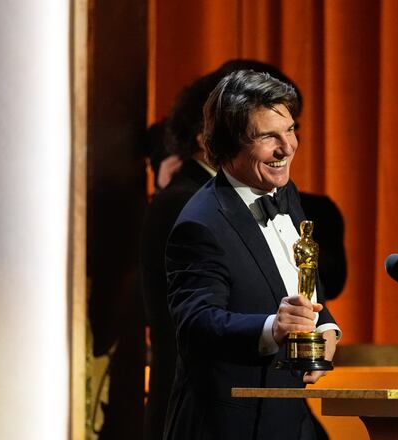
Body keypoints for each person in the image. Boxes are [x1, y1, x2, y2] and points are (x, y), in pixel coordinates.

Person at [141, 60, 345, 440]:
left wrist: (325, 327)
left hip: (287, 417)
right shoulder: (200, 223)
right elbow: (196, 323)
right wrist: (273, 328)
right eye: (269, 137)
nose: (287, 147)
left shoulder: (283, 190)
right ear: (229, 144)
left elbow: (300, 281)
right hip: (227, 425)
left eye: (290, 130)